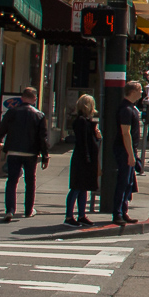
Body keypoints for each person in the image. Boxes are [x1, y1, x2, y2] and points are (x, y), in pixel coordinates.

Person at [0, 88, 48, 220]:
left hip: (13, 150)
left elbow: (2, 129)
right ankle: (28, 210)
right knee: (30, 182)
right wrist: (45, 156)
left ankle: (10, 210)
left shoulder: (12, 112)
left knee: (12, 181)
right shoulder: (39, 115)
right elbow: (43, 138)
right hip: (31, 152)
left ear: (22, 98)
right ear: (34, 99)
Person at [109, 82, 143, 225]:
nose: (141, 93)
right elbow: (125, 133)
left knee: (129, 183)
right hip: (124, 150)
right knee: (123, 182)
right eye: (140, 90)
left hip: (130, 149)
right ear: (133, 91)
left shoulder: (132, 108)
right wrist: (130, 154)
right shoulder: (125, 109)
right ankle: (117, 213)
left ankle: (124, 211)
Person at [64, 95, 100, 227]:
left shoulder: (86, 121)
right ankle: (69, 216)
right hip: (82, 159)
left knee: (84, 188)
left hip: (85, 157)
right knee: (77, 187)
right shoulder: (81, 122)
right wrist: (87, 158)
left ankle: (81, 215)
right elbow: (83, 142)